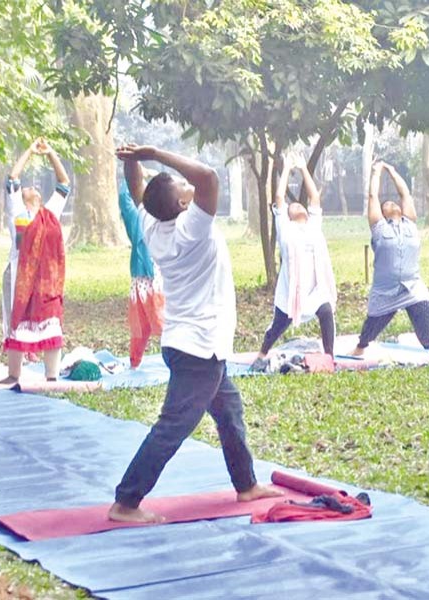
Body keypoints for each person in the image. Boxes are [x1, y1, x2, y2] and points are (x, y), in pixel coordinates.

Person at [110, 144, 281, 523]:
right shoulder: (193, 229)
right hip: (198, 351)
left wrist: (133, 162)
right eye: (182, 189)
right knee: (173, 426)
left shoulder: (153, 225)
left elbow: (139, 191)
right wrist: (154, 152)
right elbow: (208, 177)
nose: (190, 187)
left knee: (229, 411)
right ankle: (126, 502)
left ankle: (246, 485)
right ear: (183, 206)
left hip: (194, 346)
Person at [350, 162, 429, 363]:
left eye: (394, 203)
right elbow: (373, 196)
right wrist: (376, 172)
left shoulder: (410, 223)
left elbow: (405, 194)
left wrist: (394, 172)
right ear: (381, 211)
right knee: (373, 323)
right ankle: (360, 347)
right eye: (387, 204)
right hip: (385, 290)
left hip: (412, 285)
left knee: (425, 310)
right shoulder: (379, 227)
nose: (393, 203)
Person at [252, 153, 337, 370]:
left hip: (315, 288)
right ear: (288, 215)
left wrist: (304, 169)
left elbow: (314, 198)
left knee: (326, 312)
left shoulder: (313, 225)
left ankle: (329, 357)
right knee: (278, 326)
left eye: (300, 206)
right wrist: (287, 169)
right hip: (292, 290)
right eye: (293, 207)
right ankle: (262, 353)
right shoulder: (285, 228)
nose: (297, 206)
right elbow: (279, 198)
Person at [0, 137, 71, 384]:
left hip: (46, 282)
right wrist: (29, 151)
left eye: (34, 188)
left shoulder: (50, 212)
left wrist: (51, 153)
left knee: (51, 322)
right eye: (26, 187)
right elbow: (13, 179)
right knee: (18, 321)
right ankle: (13, 374)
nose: (30, 187)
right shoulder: (16, 212)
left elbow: (64, 183)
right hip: (19, 277)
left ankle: (51, 376)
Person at [118, 167, 165, 368]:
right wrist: (139, 173)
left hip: (159, 276)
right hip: (145, 279)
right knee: (144, 325)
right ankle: (134, 361)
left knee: (161, 321)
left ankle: (180, 359)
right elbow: (124, 196)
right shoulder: (137, 217)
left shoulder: (162, 214)